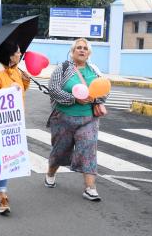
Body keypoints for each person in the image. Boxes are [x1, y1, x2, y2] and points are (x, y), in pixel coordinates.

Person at [45, 38, 106, 201]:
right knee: (60, 150)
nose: (82, 50)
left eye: (85, 48)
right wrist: (74, 98)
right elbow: (54, 90)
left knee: (89, 150)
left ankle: (90, 188)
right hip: (63, 118)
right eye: (78, 48)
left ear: (89, 53)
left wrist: (96, 98)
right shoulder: (63, 68)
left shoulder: (94, 70)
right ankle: (50, 173)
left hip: (88, 119)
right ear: (72, 52)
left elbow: (104, 90)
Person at [0, 41, 30, 214]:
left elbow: (21, 92)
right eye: (18, 52)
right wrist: (8, 90)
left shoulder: (17, 70)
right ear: (10, 55)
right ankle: (3, 196)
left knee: (5, 158)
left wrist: (25, 82)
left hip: (16, 122)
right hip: (0, 123)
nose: (20, 54)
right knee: (6, 158)